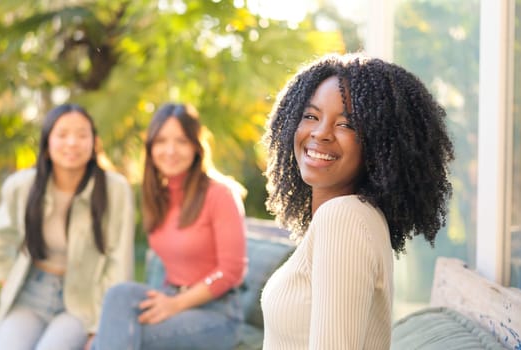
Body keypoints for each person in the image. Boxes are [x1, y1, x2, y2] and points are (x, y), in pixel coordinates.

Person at [260, 53, 455, 349]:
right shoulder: (351, 216)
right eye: (311, 116)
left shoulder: (344, 219)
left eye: (347, 124)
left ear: (379, 143)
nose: (320, 133)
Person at [0, 103, 135, 350]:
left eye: (82, 135)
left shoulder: (115, 189)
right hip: (30, 296)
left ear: (94, 143)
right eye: (62, 135)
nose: (72, 143)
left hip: (83, 303)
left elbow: (119, 262)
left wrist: (102, 324)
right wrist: (7, 279)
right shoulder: (22, 185)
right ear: (47, 144)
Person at [91, 102, 247, 350]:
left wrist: (177, 303)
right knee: (119, 295)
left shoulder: (220, 194)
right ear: (151, 147)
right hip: (170, 296)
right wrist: (171, 301)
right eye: (161, 141)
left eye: (182, 141)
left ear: (196, 147)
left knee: (110, 339)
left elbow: (231, 271)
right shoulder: (159, 196)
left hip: (217, 314)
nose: (170, 150)